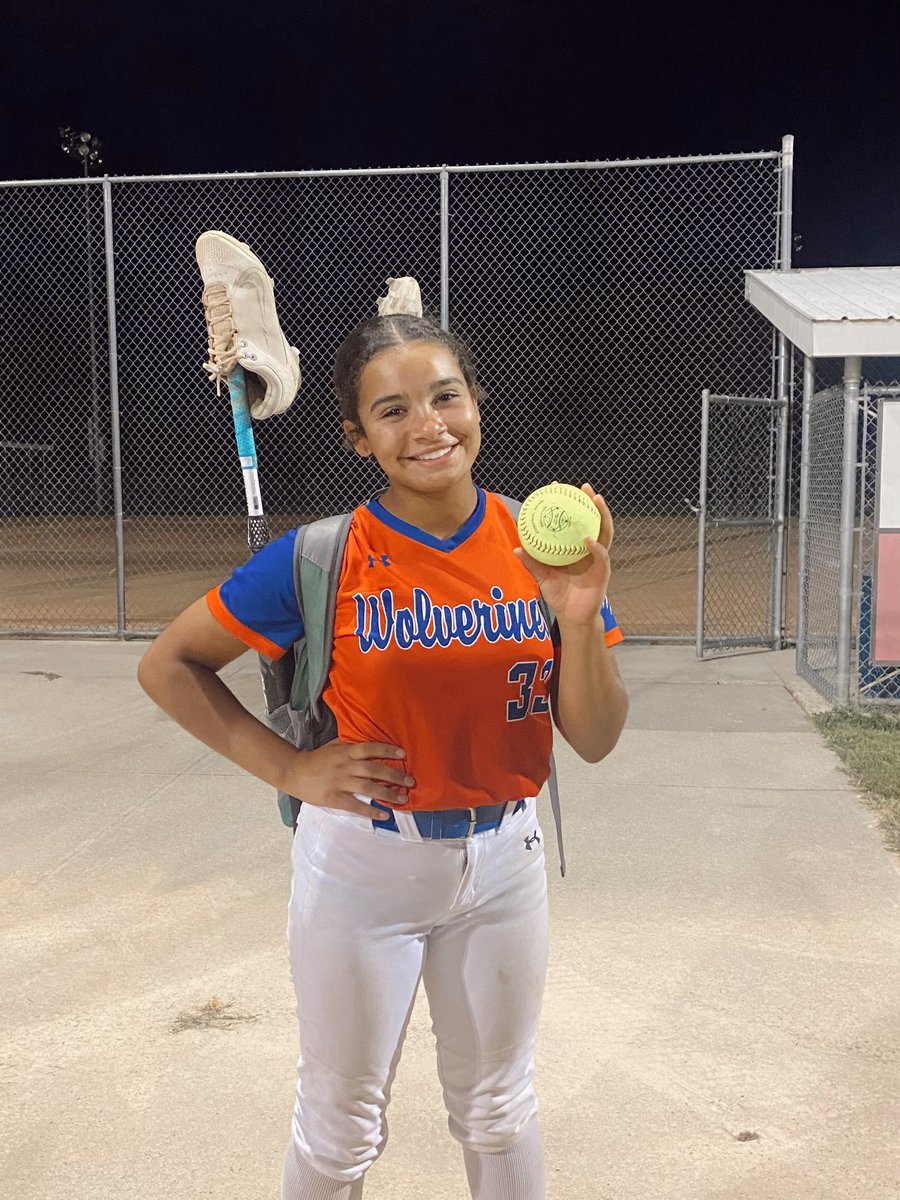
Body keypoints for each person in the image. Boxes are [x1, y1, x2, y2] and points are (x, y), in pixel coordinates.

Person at [137, 281, 628, 1200]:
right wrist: (286, 765)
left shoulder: (542, 544)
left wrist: (580, 614)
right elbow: (169, 666)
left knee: (499, 1108)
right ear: (360, 437)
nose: (428, 425)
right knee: (339, 1127)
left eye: (446, 396)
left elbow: (595, 739)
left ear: (477, 404)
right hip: (365, 864)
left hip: (506, 860)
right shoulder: (319, 556)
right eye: (392, 410)